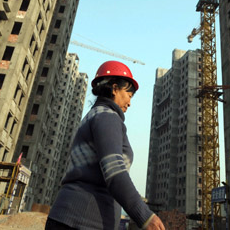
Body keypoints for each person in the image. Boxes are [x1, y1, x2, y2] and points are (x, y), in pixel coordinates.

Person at [46, 60, 165, 230]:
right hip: (82, 221)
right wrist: (145, 216)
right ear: (115, 89)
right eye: (129, 95)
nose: (129, 103)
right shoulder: (107, 117)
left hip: (71, 218)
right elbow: (115, 172)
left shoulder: (93, 115)